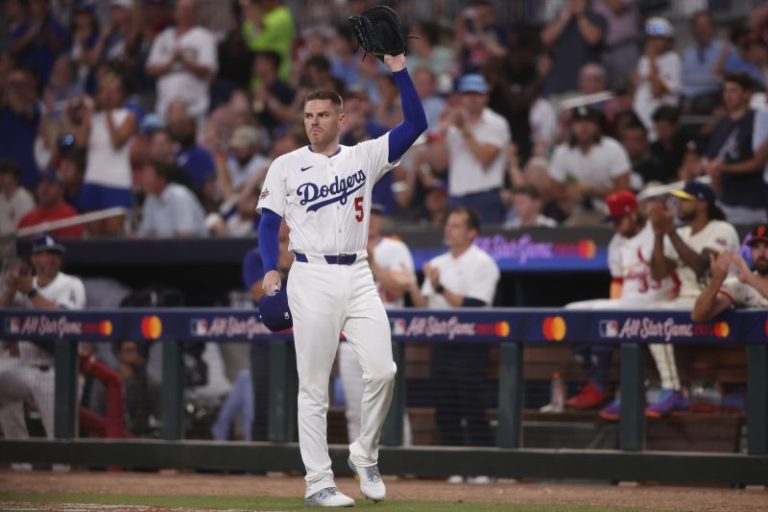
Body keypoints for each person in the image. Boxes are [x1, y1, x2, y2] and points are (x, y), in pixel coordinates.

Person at [256, 52, 426, 506]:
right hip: (309, 273)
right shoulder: (285, 165)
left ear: (341, 117)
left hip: (357, 272)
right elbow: (268, 224)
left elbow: (417, 123)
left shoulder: (365, 155)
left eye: (322, 115)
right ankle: (318, 483)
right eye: (309, 115)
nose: (313, 122)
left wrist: (398, 67)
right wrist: (270, 268)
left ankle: (365, 454)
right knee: (312, 385)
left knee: (384, 370)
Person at [561, 191, 678, 417]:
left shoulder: (654, 233)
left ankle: (601, 386)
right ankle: (596, 383)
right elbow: (617, 282)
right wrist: (610, 318)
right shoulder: (616, 243)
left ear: (633, 215)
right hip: (628, 303)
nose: (615, 226)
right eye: (612, 221)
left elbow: (672, 276)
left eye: (618, 220)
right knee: (571, 313)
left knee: (602, 317)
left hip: (657, 302)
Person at [408, 207, 500, 483]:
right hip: (440, 342)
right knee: (445, 407)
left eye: (457, 226)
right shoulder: (437, 262)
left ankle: (484, 467)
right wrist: (412, 284)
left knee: (473, 405)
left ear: (472, 232)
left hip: (470, 342)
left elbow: (475, 304)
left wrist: (439, 288)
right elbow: (424, 305)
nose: (450, 229)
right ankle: (456, 466)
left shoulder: (483, 263)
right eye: (449, 225)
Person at [648, 180, 740, 417]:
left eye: (684, 199)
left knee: (660, 321)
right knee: (648, 317)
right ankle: (663, 389)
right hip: (685, 303)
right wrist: (659, 236)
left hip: (719, 301)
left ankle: (673, 391)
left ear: (702, 203)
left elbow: (702, 266)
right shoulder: (682, 233)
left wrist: (670, 232)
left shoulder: (722, 229)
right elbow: (659, 273)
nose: (678, 203)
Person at [338, 204, 415, 446]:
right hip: (349, 339)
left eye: (376, 215)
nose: (370, 220)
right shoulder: (341, 247)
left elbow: (402, 286)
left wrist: (372, 263)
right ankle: (361, 467)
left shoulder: (394, 248)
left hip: (385, 336)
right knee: (355, 411)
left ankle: (402, 462)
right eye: (366, 214)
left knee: (390, 406)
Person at [0, 234, 87, 440]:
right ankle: (19, 462)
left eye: (54, 253)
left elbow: (61, 319)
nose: (50, 257)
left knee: (61, 442)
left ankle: (64, 469)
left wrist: (30, 292)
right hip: (23, 367)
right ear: (33, 259)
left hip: (56, 371)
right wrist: (11, 292)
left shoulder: (71, 284)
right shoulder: (24, 286)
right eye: (43, 253)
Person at [427, 73, 511, 224]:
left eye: (477, 94)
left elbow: (485, 158)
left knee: (488, 245)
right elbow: (439, 164)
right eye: (468, 94)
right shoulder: (453, 124)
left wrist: (463, 130)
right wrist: (441, 133)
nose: (473, 98)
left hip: (486, 197)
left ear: (486, 97)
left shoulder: (496, 123)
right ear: (461, 98)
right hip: (457, 197)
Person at [547, 106, 631, 225]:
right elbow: (553, 189)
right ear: (572, 126)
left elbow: (624, 189)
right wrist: (567, 193)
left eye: (589, 122)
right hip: (578, 212)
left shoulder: (612, 148)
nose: (583, 127)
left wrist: (592, 192)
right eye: (578, 122)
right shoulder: (563, 152)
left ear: (597, 126)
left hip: (612, 212)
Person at [704, 72, 768, 224]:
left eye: (734, 90)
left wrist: (724, 168)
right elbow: (712, 158)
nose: (728, 95)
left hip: (751, 202)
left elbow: (758, 163)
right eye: (725, 90)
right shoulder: (721, 124)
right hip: (725, 199)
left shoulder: (758, 120)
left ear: (747, 94)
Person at [146, 0, 217, 121]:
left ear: (196, 13)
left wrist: (184, 61)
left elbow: (208, 71)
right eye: (182, 9)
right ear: (175, 12)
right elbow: (150, 69)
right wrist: (171, 62)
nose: (185, 13)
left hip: (194, 107)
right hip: (165, 106)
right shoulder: (163, 37)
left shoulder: (205, 37)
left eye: (189, 10)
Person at [692, 224, 768, 321]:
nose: (761, 253)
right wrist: (716, 280)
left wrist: (749, 277)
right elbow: (698, 316)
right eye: (756, 247)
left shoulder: (747, 278)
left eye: (767, 246)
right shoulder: (741, 284)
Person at [632, 17, 681, 141]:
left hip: (659, 125)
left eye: (658, 38)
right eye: (651, 38)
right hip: (640, 121)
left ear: (668, 41)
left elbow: (657, 91)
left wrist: (652, 61)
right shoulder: (643, 60)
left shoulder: (673, 59)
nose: (653, 43)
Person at [137, 159, 206, 238]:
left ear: (161, 179)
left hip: (194, 248)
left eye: (148, 175)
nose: (143, 180)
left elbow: (186, 235)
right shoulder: (150, 199)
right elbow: (144, 235)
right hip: (166, 248)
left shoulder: (179, 196)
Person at [18, 170, 85, 239]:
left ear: (61, 189)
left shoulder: (71, 218)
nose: (45, 188)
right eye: (41, 183)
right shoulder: (27, 219)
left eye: (50, 184)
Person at [0, 159, 35, 237]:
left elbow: (27, 228)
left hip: (19, 243)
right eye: (0, 174)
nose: (1, 177)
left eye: (5, 174)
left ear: (16, 177)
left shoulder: (24, 198)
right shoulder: (1, 199)